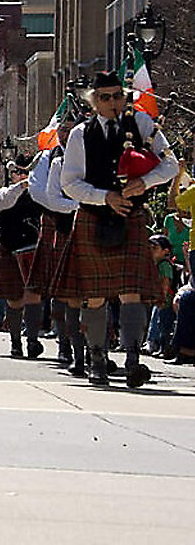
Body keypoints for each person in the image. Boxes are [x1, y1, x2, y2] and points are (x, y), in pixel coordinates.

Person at [52, 70, 177, 387]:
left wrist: (144, 182)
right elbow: (70, 184)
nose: (113, 103)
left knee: (131, 293)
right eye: (105, 97)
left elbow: (170, 164)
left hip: (131, 217)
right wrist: (104, 197)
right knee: (94, 296)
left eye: (117, 96)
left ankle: (134, 361)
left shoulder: (144, 124)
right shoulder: (81, 134)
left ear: (124, 96)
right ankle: (97, 361)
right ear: (94, 101)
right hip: (94, 217)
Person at [26, 116, 82, 371]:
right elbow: (38, 192)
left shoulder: (88, 153)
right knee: (60, 290)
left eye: (71, 129)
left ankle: (95, 347)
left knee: (95, 291)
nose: (66, 134)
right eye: (63, 130)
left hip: (92, 224)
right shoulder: (49, 158)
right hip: (58, 224)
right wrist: (73, 207)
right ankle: (63, 345)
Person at [0, 158, 45, 358]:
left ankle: (32, 342)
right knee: (15, 299)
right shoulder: (4, 193)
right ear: (12, 174)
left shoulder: (36, 193)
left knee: (33, 296)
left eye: (26, 172)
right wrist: (23, 184)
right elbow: (7, 201)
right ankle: (15, 343)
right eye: (19, 172)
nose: (23, 176)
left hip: (33, 248)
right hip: (11, 248)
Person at [147, 234, 177, 355]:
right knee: (156, 321)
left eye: (155, 248)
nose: (151, 251)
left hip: (166, 300)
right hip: (158, 299)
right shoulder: (154, 264)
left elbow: (165, 282)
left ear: (165, 251)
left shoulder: (164, 264)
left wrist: (162, 297)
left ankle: (163, 347)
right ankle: (155, 343)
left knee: (163, 324)